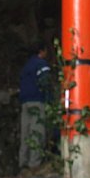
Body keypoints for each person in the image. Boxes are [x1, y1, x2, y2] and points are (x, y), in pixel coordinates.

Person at [18, 42, 52, 171]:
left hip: (25, 101)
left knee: (25, 132)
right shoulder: (41, 65)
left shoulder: (26, 66)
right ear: (42, 51)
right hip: (37, 100)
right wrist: (49, 100)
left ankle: (23, 162)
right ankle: (34, 163)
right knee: (37, 132)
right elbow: (45, 83)